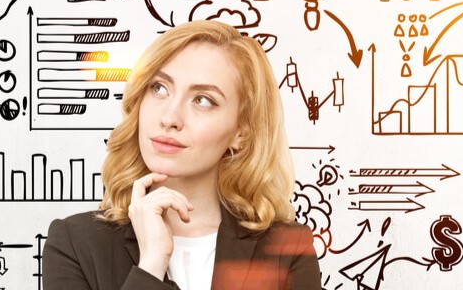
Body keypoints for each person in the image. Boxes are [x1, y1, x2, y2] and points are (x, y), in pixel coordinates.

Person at [43, 20, 320, 289]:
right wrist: (151, 263)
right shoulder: (74, 244)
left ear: (241, 132)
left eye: (203, 100)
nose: (170, 117)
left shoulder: (287, 250)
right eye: (159, 88)